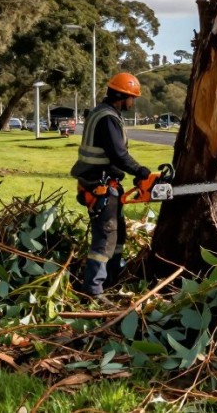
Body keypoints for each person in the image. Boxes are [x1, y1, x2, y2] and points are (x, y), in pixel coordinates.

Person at [71, 72, 151, 298]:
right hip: (100, 184)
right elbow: (118, 154)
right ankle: (93, 290)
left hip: (105, 181)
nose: (132, 102)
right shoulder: (107, 118)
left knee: (118, 235)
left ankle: (111, 278)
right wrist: (140, 171)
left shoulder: (104, 113)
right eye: (131, 98)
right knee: (105, 237)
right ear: (122, 96)